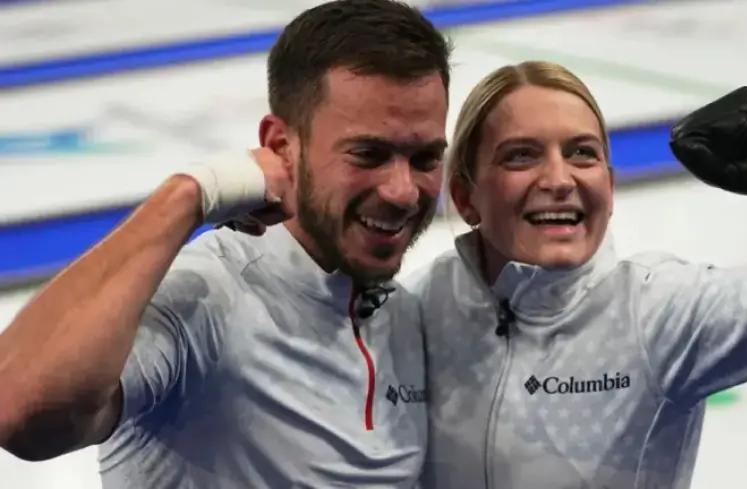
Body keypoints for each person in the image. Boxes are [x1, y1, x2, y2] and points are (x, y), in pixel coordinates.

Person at [0, 0, 451, 487]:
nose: (403, 191)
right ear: (280, 146)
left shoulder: (407, 317)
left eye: (425, 158)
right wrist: (184, 198)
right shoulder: (205, 295)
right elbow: (22, 415)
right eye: (369, 154)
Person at [405, 60, 747, 489]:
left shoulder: (661, 312)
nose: (559, 179)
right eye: (522, 156)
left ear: (608, 188)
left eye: (581, 154)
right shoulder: (419, 310)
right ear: (465, 197)